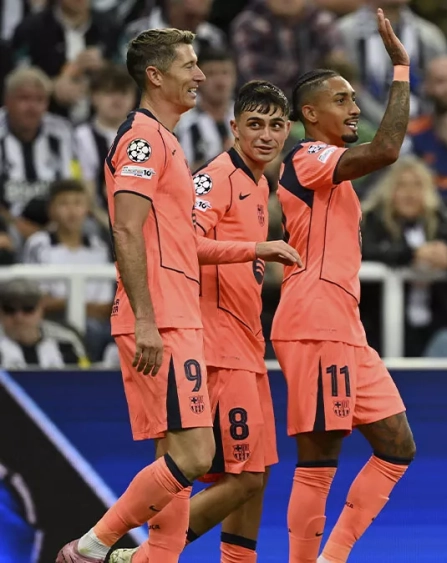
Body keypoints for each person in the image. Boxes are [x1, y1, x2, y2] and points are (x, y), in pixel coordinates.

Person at [56, 28, 300, 563]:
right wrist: (145, 318)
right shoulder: (141, 139)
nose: (201, 76)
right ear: (155, 75)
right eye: (190, 66)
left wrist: (257, 247)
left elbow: (185, 242)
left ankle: (145, 558)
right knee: (195, 455)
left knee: (181, 464)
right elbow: (125, 229)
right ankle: (94, 547)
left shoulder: (168, 141)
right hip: (162, 319)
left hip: (179, 317)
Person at [105, 81, 294, 563]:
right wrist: (256, 248)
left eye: (276, 126)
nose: (266, 136)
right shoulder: (217, 177)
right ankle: (145, 556)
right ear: (234, 128)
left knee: (257, 474)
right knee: (234, 473)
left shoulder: (258, 181)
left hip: (245, 347)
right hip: (214, 345)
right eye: (255, 125)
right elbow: (184, 243)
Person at [272, 10, 417, 563]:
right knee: (320, 456)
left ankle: (331, 557)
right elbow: (387, 150)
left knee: (397, 447)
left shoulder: (329, 165)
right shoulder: (308, 157)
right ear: (309, 114)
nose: (355, 108)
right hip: (314, 322)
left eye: (355, 98)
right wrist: (401, 69)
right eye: (342, 100)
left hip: (343, 328)